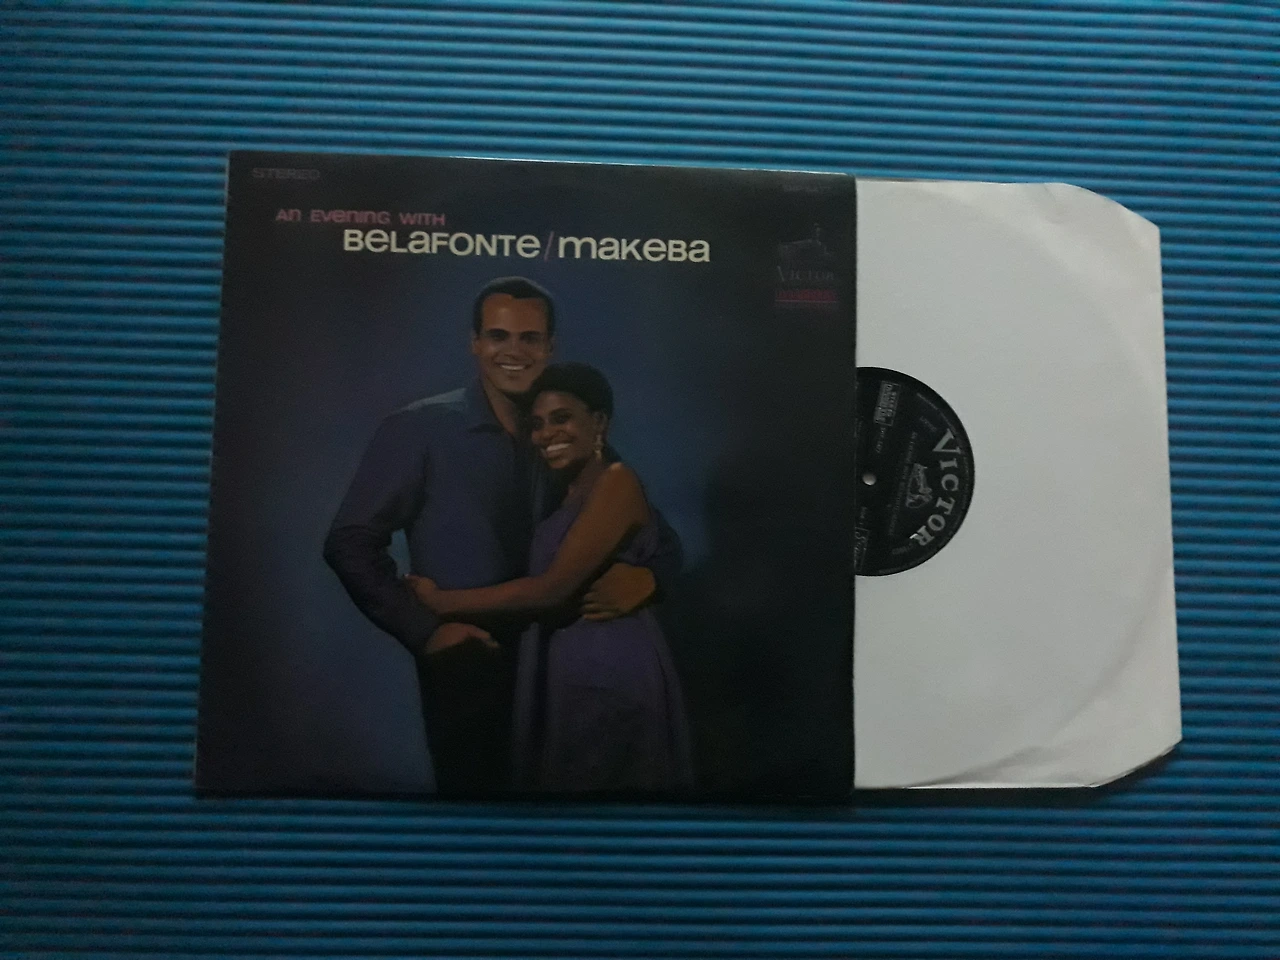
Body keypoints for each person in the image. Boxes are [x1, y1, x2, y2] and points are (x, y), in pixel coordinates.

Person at [323, 278, 678, 795]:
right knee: (480, 818)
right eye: (498, 336)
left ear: (549, 346)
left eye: (530, 338)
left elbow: (654, 533)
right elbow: (350, 540)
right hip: (472, 665)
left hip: (568, 672)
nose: (514, 351)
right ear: (475, 343)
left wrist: (651, 578)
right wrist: (426, 631)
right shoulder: (420, 428)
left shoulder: (566, 430)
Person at [407, 363, 694, 795]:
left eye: (561, 419)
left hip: (607, 666)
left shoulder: (616, 481)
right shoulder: (563, 487)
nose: (546, 434)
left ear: (599, 423)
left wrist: (439, 602)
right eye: (538, 424)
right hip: (562, 666)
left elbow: (552, 589)